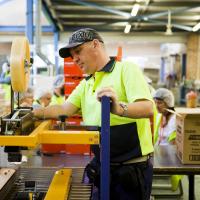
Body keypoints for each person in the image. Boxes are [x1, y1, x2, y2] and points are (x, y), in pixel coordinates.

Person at [33, 28, 154, 200]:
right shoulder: (86, 83)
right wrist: (32, 113)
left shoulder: (125, 70)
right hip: (103, 165)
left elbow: (148, 108)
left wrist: (119, 108)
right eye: (72, 55)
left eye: (78, 51)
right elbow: (64, 109)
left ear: (95, 44)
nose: (74, 59)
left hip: (130, 169)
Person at [153, 88, 182, 192]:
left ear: (168, 103)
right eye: (155, 102)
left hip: (171, 157)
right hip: (160, 153)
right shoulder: (160, 117)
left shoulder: (176, 119)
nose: (156, 105)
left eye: (160, 103)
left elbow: (175, 143)